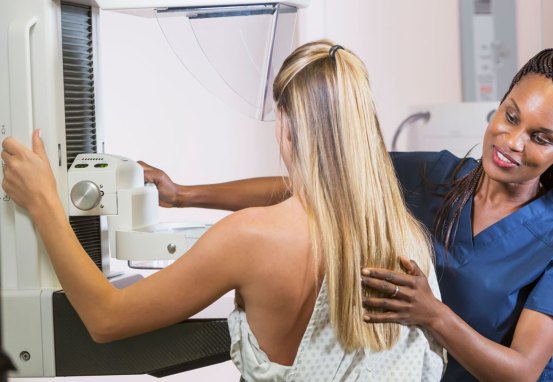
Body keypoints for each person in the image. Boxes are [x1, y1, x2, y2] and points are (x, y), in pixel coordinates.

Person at [140, 48, 553, 381]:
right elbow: (313, 186)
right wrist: (181, 194)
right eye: (510, 117)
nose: (512, 142)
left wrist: (433, 315)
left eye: (540, 137)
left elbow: (522, 371)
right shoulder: (434, 175)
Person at [0, 40, 445, 381]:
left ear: (286, 124)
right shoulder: (407, 242)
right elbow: (309, 197)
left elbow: (106, 319)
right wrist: (182, 193)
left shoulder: (248, 239)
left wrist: (44, 205)